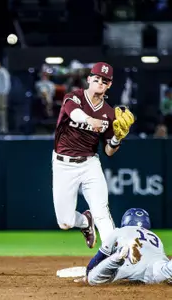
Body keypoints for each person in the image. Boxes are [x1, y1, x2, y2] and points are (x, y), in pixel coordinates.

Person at [52, 62, 135, 249]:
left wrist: (116, 139)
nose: (99, 82)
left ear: (109, 85)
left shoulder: (109, 114)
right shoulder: (74, 97)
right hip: (63, 164)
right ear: (89, 79)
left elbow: (108, 151)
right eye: (96, 78)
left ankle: (114, 256)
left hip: (89, 163)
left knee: (102, 213)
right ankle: (84, 222)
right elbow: (74, 114)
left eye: (104, 81)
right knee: (64, 222)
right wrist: (90, 120)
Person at [81, 208, 172, 285]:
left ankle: (119, 256)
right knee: (169, 273)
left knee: (94, 278)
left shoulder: (119, 231)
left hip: (127, 266)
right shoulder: (155, 237)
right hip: (152, 267)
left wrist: (87, 274)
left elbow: (98, 258)